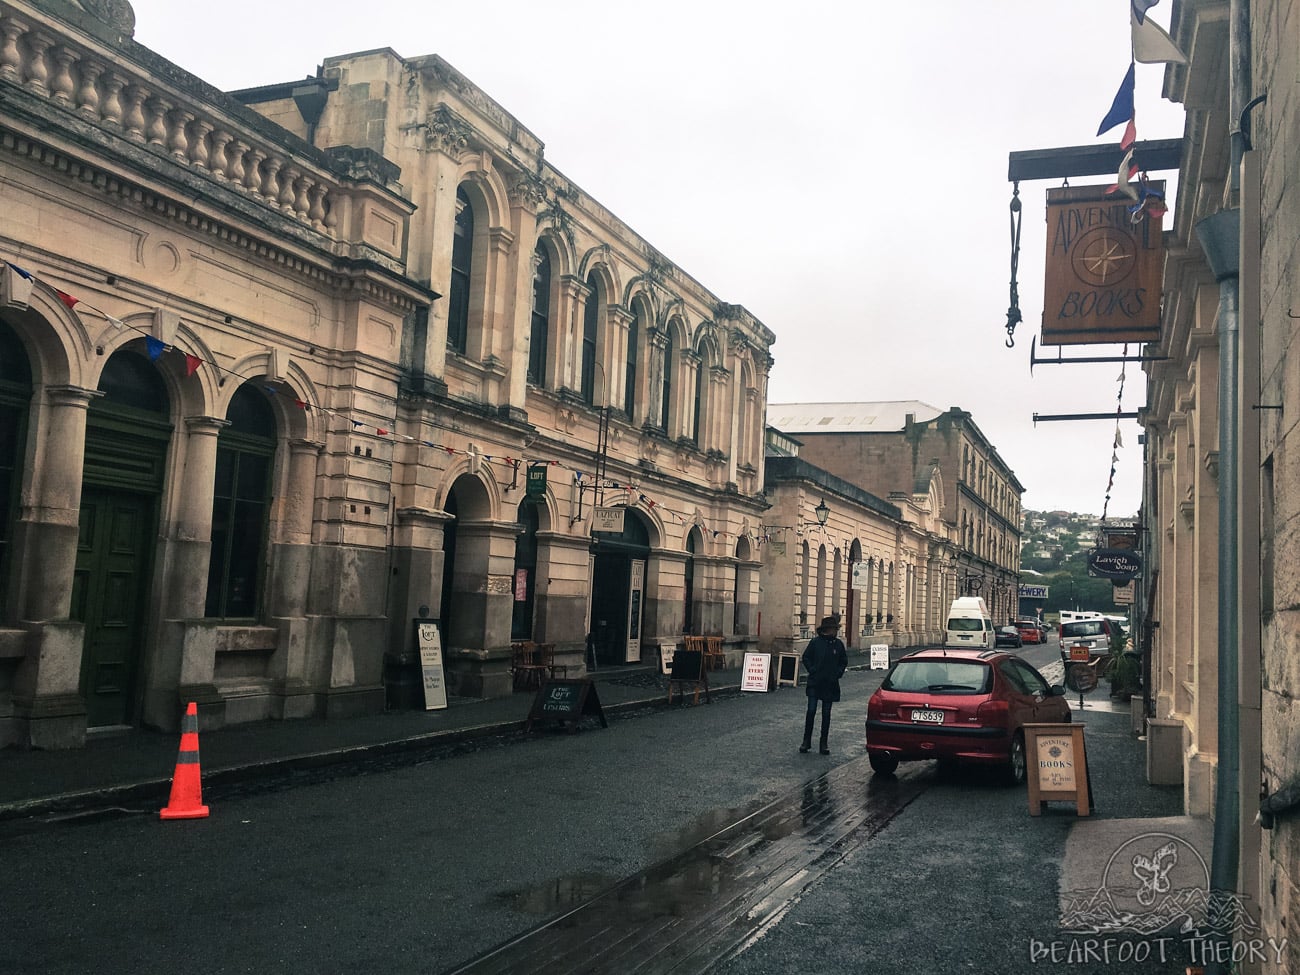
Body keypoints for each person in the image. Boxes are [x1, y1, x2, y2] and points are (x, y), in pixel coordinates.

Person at [800, 614, 848, 755]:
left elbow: (843, 661)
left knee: (826, 714)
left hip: (830, 683)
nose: (836, 631)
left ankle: (823, 743)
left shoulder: (838, 644)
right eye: (834, 629)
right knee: (811, 711)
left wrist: (838, 673)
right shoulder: (816, 642)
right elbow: (806, 657)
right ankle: (806, 741)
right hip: (815, 682)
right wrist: (812, 670)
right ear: (827, 629)